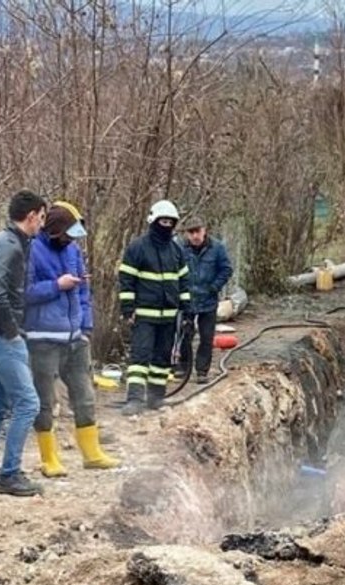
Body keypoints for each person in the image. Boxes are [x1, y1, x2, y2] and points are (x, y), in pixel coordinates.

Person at [23, 200, 120, 477]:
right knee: (44, 400)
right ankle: (48, 458)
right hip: (42, 338)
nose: (71, 239)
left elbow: (82, 292)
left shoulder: (74, 251)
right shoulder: (30, 250)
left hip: (75, 337)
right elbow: (24, 293)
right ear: (55, 230)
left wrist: (86, 328)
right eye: (68, 233)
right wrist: (57, 285)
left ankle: (92, 454)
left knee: (85, 395)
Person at [0, 191, 48, 497]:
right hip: (0, 336)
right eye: (41, 218)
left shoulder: (8, 242)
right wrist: (12, 332)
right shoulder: (9, 246)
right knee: (28, 403)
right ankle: (10, 474)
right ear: (31, 216)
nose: (42, 225)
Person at [118, 200, 192, 414]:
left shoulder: (176, 251)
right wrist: (127, 308)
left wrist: (187, 309)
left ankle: (156, 398)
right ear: (153, 221)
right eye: (163, 221)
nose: (166, 225)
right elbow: (127, 280)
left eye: (170, 221)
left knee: (162, 358)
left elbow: (183, 282)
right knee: (140, 358)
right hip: (144, 316)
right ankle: (134, 399)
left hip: (168, 316)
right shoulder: (138, 248)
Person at [175, 216, 233, 384]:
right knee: (185, 334)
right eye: (191, 232)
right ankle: (183, 367)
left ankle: (202, 370)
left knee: (206, 337)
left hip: (208, 299)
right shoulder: (179, 248)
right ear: (186, 234)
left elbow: (226, 270)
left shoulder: (217, 248)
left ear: (204, 230)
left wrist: (214, 287)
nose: (195, 236)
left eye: (197, 231)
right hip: (186, 299)